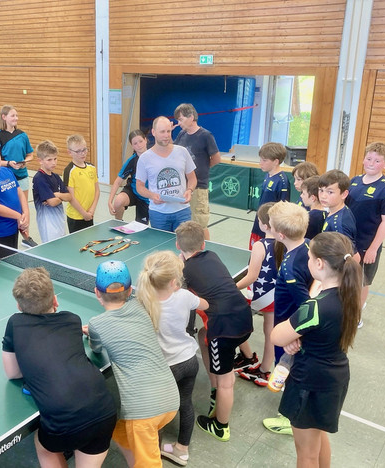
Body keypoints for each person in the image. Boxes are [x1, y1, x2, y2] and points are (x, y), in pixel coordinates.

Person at [2, 267, 117, 468]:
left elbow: (13, 373)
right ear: (55, 301)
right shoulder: (73, 319)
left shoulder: (15, 323)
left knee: (43, 445)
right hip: (104, 412)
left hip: (63, 424)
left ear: (19, 306)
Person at [271, 232, 362, 467]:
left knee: (306, 453)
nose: (307, 262)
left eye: (309, 258)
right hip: (335, 377)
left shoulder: (315, 308)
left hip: (309, 383)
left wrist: (293, 337)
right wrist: (300, 337)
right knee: (319, 436)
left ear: (319, 264)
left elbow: (276, 336)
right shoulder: (349, 294)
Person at [83, 261, 179, 468]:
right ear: (129, 291)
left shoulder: (96, 324)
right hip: (170, 398)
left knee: (149, 464)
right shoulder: (140, 305)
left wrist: (92, 332)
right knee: (120, 432)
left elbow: (96, 349)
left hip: (144, 412)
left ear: (97, 293)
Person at [175, 221, 253, 442]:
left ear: (177, 245)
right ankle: (214, 389)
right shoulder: (212, 255)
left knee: (227, 381)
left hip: (223, 330)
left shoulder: (183, 271)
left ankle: (220, 426)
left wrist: (180, 266)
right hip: (244, 317)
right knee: (203, 336)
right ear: (203, 244)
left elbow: (180, 296)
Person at [136, 251, 209, 466]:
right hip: (188, 359)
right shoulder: (185, 296)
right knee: (185, 403)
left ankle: (155, 451)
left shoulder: (143, 301)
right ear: (173, 282)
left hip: (165, 367)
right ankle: (181, 451)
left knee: (157, 412)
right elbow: (204, 305)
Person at [261, 201, 312, 436]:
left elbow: (306, 306)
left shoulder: (290, 268)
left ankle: (290, 419)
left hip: (289, 327)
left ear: (280, 234)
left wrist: (294, 336)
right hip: (288, 324)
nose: (268, 226)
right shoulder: (308, 245)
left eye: (270, 224)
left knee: (288, 370)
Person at [346, 142, 385, 324]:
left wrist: (373, 248)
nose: (371, 163)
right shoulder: (354, 181)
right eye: (369, 158)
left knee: (362, 281)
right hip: (348, 241)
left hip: (367, 244)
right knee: (346, 278)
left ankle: (356, 316)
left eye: (377, 161)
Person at [235, 202, 279, 387]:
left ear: (264, 225)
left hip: (261, 295)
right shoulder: (285, 241)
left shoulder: (260, 245)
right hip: (277, 293)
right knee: (270, 333)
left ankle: (247, 357)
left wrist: (232, 286)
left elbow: (251, 276)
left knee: (234, 320)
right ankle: (264, 370)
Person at [135, 116, 197, 232]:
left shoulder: (182, 152)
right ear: (153, 132)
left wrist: (189, 190)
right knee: (161, 243)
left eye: (168, 131)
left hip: (182, 211)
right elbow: (139, 186)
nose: (166, 135)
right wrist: (152, 195)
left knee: (185, 243)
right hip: (158, 213)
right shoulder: (145, 158)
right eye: (162, 132)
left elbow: (192, 178)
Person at [0, 105, 37, 247]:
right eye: (13, 115)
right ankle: (12, 234)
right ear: (4, 117)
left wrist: (24, 162)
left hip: (22, 175)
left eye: (17, 115)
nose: (16, 118)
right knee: (11, 206)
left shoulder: (22, 135)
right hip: (6, 177)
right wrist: (8, 164)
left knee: (24, 207)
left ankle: (26, 236)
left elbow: (30, 155)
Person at [174, 103, 221, 240]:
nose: (179, 123)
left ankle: (207, 249)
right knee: (185, 222)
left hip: (199, 186)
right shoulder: (182, 134)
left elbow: (216, 158)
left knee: (200, 223)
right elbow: (173, 150)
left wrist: (202, 168)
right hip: (184, 186)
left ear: (191, 117)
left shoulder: (205, 135)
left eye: (181, 119)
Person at [249, 142, 290, 248]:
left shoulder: (282, 182)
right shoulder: (268, 175)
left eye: (264, 160)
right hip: (260, 222)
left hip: (270, 228)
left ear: (276, 161)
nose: (260, 163)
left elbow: (283, 208)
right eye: (260, 160)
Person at [32, 140, 71, 243]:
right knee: (51, 247)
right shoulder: (39, 178)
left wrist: (57, 195)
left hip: (60, 220)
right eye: (49, 160)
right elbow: (52, 202)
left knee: (61, 245)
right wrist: (60, 197)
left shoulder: (56, 176)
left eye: (55, 159)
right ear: (40, 161)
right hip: (47, 223)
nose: (53, 162)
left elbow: (69, 197)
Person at [108, 129, 150, 224]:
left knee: (140, 226)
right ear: (132, 146)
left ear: (145, 140)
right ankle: (118, 222)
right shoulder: (131, 161)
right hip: (133, 192)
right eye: (135, 143)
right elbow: (118, 181)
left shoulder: (154, 157)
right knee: (118, 201)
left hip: (146, 198)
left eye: (141, 141)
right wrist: (110, 201)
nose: (139, 145)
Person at [318, 170, 359, 260]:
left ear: (344, 194)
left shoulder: (339, 225)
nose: (323, 196)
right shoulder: (335, 210)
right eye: (321, 190)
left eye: (330, 192)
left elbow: (354, 257)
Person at [63, 134, 100, 233]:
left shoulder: (92, 167)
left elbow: (97, 191)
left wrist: (91, 210)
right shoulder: (69, 171)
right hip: (75, 217)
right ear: (69, 152)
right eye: (78, 151)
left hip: (90, 214)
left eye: (84, 149)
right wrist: (83, 213)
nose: (82, 153)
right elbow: (71, 197)